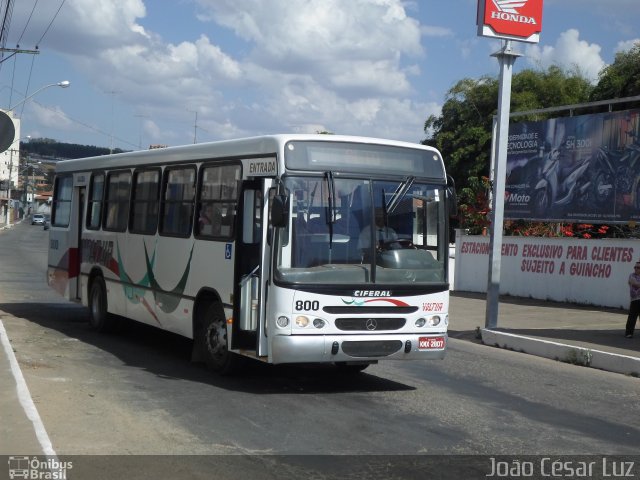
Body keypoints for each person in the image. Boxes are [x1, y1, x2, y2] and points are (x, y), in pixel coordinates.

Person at [625, 262, 640, 338]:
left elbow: (637, 284)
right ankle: (629, 333)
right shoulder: (632, 275)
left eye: (638, 268)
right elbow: (634, 283)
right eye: (635, 267)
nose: (636, 269)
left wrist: (637, 284)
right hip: (635, 300)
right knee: (632, 317)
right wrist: (637, 284)